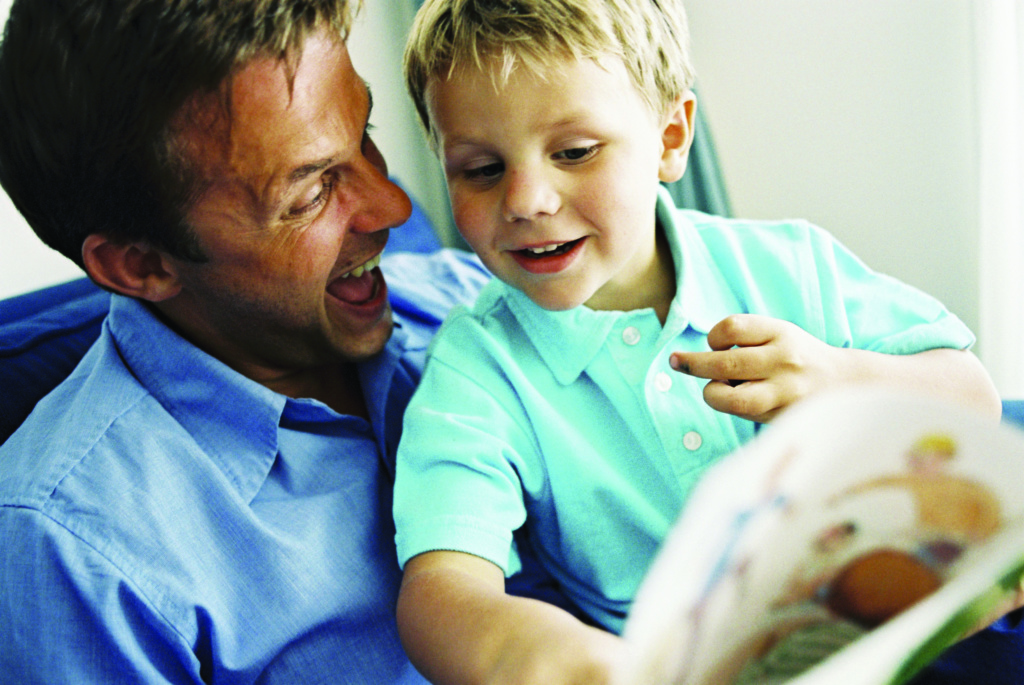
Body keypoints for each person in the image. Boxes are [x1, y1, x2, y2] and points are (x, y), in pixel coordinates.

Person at [390, 0, 1003, 683]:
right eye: (481, 168)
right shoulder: (478, 372)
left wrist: (843, 378)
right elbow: (442, 587)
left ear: (671, 137)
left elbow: (972, 394)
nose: (527, 199)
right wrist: (543, 655)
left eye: (574, 153)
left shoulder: (789, 263)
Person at [0, 1, 497, 682]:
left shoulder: (465, 302)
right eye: (313, 192)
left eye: (367, 135)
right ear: (141, 264)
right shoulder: (75, 553)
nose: (394, 206)